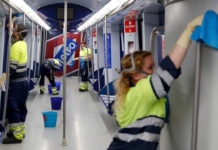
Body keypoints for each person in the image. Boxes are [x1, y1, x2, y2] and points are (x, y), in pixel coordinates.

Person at [107, 15, 203, 150]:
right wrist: (189, 30)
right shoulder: (140, 92)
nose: (155, 71)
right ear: (136, 75)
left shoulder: (128, 95)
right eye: (150, 68)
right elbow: (168, 69)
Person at [3, 23, 29, 144]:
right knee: (21, 106)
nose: (12, 31)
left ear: (18, 34)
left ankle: (16, 136)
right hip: (24, 82)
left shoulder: (15, 46)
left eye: (14, 30)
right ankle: (19, 131)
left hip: (16, 83)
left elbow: (13, 67)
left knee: (13, 107)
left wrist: (4, 76)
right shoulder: (24, 44)